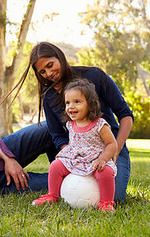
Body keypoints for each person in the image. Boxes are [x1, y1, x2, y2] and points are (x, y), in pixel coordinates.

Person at [10, 41, 133, 202]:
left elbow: (126, 115)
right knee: (69, 187)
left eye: (50, 65)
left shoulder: (95, 76)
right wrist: (75, 158)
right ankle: (52, 189)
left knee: (116, 197)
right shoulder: (49, 96)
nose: (48, 73)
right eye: (42, 71)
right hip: (77, 153)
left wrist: (114, 152)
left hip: (110, 149)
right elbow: (58, 136)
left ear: (59, 56)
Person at [32, 79, 118, 212]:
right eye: (67, 102)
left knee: (105, 172)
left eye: (77, 102)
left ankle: (106, 203)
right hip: (76, 158)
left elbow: (112, 144)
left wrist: (103, 159)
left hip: (95, 159)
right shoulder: (70, 124)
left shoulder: (99, 124)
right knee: (55, 165)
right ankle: (52, 195)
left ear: (90, 104)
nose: (71, 106)